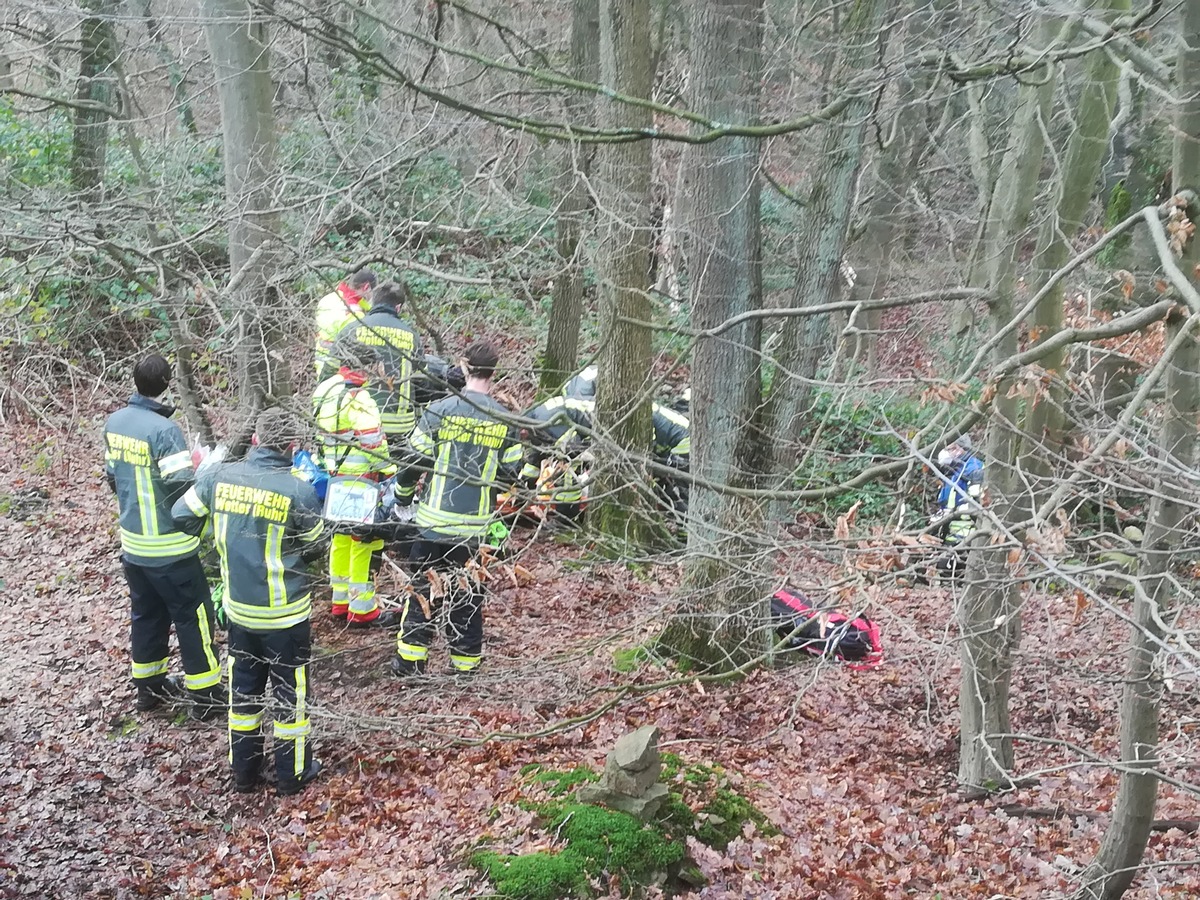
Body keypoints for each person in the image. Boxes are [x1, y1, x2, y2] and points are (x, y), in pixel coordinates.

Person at [172, 407, 326, 796]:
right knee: (291, 696)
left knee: (243, 694)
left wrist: (219, 543)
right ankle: (292, 775)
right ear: (293, 447)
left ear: (255, 439)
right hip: (285, 616)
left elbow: (181, 515)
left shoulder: (218, 478)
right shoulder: (298, 490)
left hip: (240, 612)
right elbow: (317, 547)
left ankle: (244, 771)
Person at [391, 340, 524, 677]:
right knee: (468, 596)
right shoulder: (504, 419)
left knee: (424, 591)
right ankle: (465, 665)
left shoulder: (439, 411)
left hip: (434, 522)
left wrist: (403, 499)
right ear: (494, 372)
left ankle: (410, 663)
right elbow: (511, 474)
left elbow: (411, 463)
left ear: (464, 367)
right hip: (474, 529)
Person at [102, 354, 223, 720]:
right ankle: (206, 696)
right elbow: (179, 487)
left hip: (134, 545)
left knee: (146, 615)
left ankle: (149, 690)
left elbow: (112, 477)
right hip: (171, 548)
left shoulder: (115, 422)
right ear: (168, 383)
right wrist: (204, 471)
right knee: (194, 616)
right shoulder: (164, 431)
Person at [312, 348, 398, 625]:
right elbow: (373, 443)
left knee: (339, 538)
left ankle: (340, 602)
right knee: (363, 542)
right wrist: (390, 472)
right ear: (368, 366)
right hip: (362, 481)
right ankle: (361, 610)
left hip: (334, 477)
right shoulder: (359, 399)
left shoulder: (325, 389)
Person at [334, 279, 424, 455]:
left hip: (357, 423)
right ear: (398, 308)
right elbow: (421, 384)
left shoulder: (351, 331)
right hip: (399, 428)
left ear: (373, 301)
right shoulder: (412, 337)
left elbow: (330, 375)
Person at [314, 268, 377, 378]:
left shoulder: (326, 299)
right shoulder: (355, 314)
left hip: (321, 363)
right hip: (341, 372)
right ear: (366, 287)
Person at [935, 435, 983, 546]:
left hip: (967, 538)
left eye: (949, 449)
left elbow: (977, 506)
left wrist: (952, 512)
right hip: (949, 536)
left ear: (960, 449)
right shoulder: (952, 470)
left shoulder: (974, 470)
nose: (945, 453)